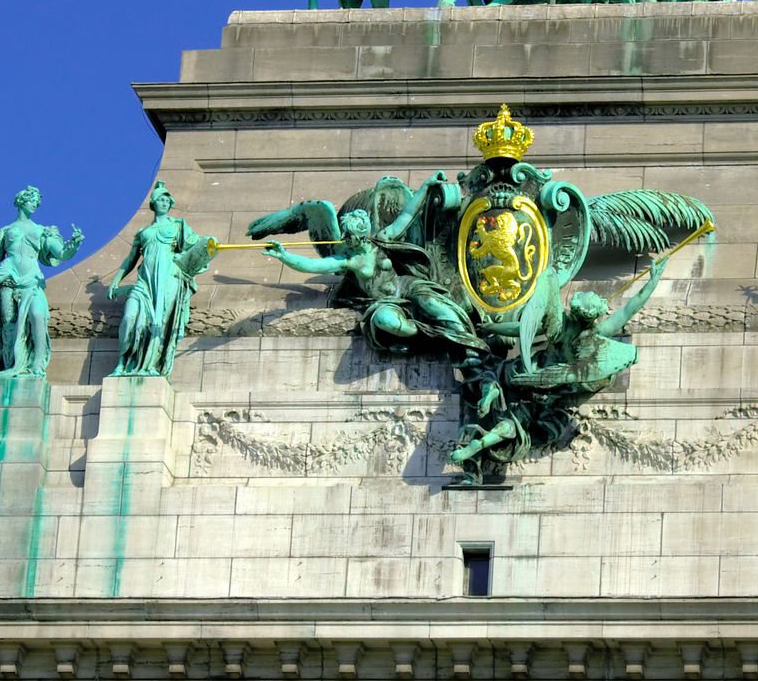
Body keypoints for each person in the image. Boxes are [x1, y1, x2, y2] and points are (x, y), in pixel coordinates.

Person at [449, 258, 666, 469]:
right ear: (595, 317)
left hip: (529, 370)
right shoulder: (597, 335)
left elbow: (521, 328)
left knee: (494, 375)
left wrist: (491, 329)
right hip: (551, 390)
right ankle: (485, 441)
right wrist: (652, 283)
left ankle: (492, 393)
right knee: (521, 420)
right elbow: (628, 310)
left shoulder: (560, 324)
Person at [259, 178, 481, 356]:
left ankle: (469, 345)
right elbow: (312, 265)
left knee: (433, 302)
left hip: (407, 287)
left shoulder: (381, 238)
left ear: (365, 233)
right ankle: (431, 336)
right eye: (352, 238)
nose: (356, 242)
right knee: (387, 322)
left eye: (359, 237)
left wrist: (425, 187)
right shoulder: (349, 260)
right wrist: (285, 256)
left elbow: (407, 215)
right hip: (385, 303)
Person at [0, 187, 83, 378]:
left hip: (32, 280)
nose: (35, 204)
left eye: (36, 201)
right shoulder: (4, 232)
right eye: (31, 200)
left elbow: (62, 254)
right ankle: (11, 366)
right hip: (6, 277)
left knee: (38, 315)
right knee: (8, 324)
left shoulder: (43, 231)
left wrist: (73, 244)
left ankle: (37, 365)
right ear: (21, 201)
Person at [107, 182, 211, 378]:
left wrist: (208, 247)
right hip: (144, 281)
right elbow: (130, 260)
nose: (164, 203)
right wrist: (115, 281)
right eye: (160, 200)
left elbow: (195, 245)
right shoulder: (143, 232)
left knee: (157, 323)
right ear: (153, 204)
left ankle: (149, 364)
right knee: (129, 320)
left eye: (166, 200)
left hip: (167, 279)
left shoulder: (177, 226)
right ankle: (122, 363)